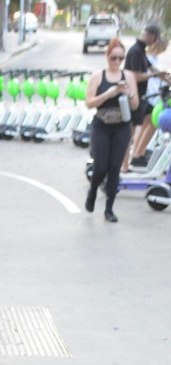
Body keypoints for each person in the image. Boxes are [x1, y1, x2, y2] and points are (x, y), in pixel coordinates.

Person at [84, 38, 140, 222]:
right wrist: (109, 93)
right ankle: (93, 191)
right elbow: (89, 103)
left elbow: (135, 105)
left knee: (115, 167)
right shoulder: (98, 76)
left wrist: (128, 93)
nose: (117, 61)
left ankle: (109, 208)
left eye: (120, 58)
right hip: (101, 125)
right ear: (107, 56)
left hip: (121, 127)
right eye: (114, 57)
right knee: (100, 166)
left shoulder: (128, 76)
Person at [122, 22, 162, 171]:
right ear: (150, 36)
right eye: (155, 39)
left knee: (153, 120)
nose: (154, 42)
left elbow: (152, 68)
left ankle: (138, 155)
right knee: (129, 132)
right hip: (133, 97)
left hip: (142, 97)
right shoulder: (135, 51)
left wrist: (164, 76)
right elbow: (135, 76)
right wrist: (154, 75)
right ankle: (124, 165)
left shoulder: (142, 51)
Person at [128, 38, 170, 168]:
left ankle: (137, 153)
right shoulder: (149, 59)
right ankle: (138, 154)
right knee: (152, 125)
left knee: (146, 125)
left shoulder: (151, 58)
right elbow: (154, 78)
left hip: (150, 96)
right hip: (151, 97)